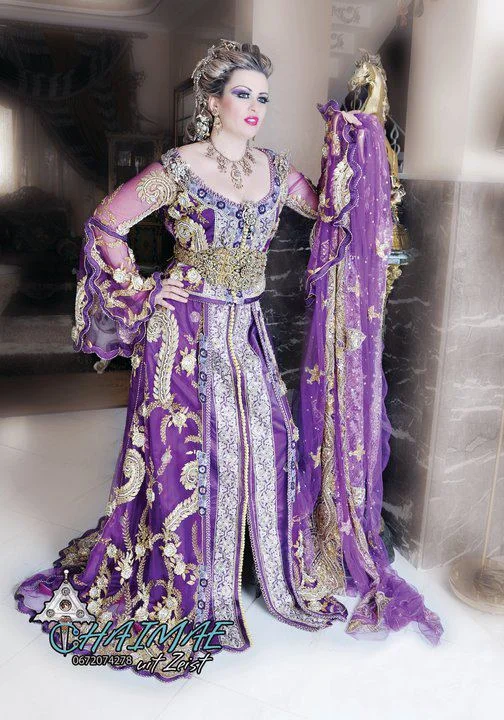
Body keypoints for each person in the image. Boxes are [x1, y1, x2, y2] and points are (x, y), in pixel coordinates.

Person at [14, 39, 443, 684]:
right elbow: (105, 224)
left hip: (244, 332)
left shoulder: (274, 169)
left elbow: (331, 213)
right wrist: (141, 293)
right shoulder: (178, 168)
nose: (254, 107)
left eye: (263, 97)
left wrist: (357, 141)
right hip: (183, 334)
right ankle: (197, 589)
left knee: (265, 446)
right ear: (212, 101)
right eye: (242, 94)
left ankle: (261, 568)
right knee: (189, 458)